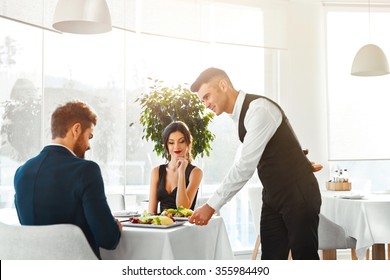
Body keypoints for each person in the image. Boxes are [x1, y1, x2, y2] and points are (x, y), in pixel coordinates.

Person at [188, 67, 322, 260]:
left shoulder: (259, 110)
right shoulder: (240, 117)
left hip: (298, 194)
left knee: (305, 259)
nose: (206, 104)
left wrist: (211, 206)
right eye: (203, 100)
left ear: (223, 85)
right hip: (273, 197)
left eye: (207, 96)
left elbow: (245, 166)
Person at [14, 100, 122, 259]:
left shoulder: (21, 173)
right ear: (77, 129)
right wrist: (115, 229)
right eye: (89, 136)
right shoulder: (86, 170)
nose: (89, 146)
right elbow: (108, 239)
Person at [148, 121, 203, 214]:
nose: (176, 146)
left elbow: (183, 208)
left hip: (184, 227)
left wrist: (181, 172)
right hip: (162, 226)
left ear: (188, 144)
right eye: (171, 142)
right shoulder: (156, 172)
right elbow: (151, 212)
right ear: (166, 146)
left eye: (181, 141)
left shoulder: (196, 172)